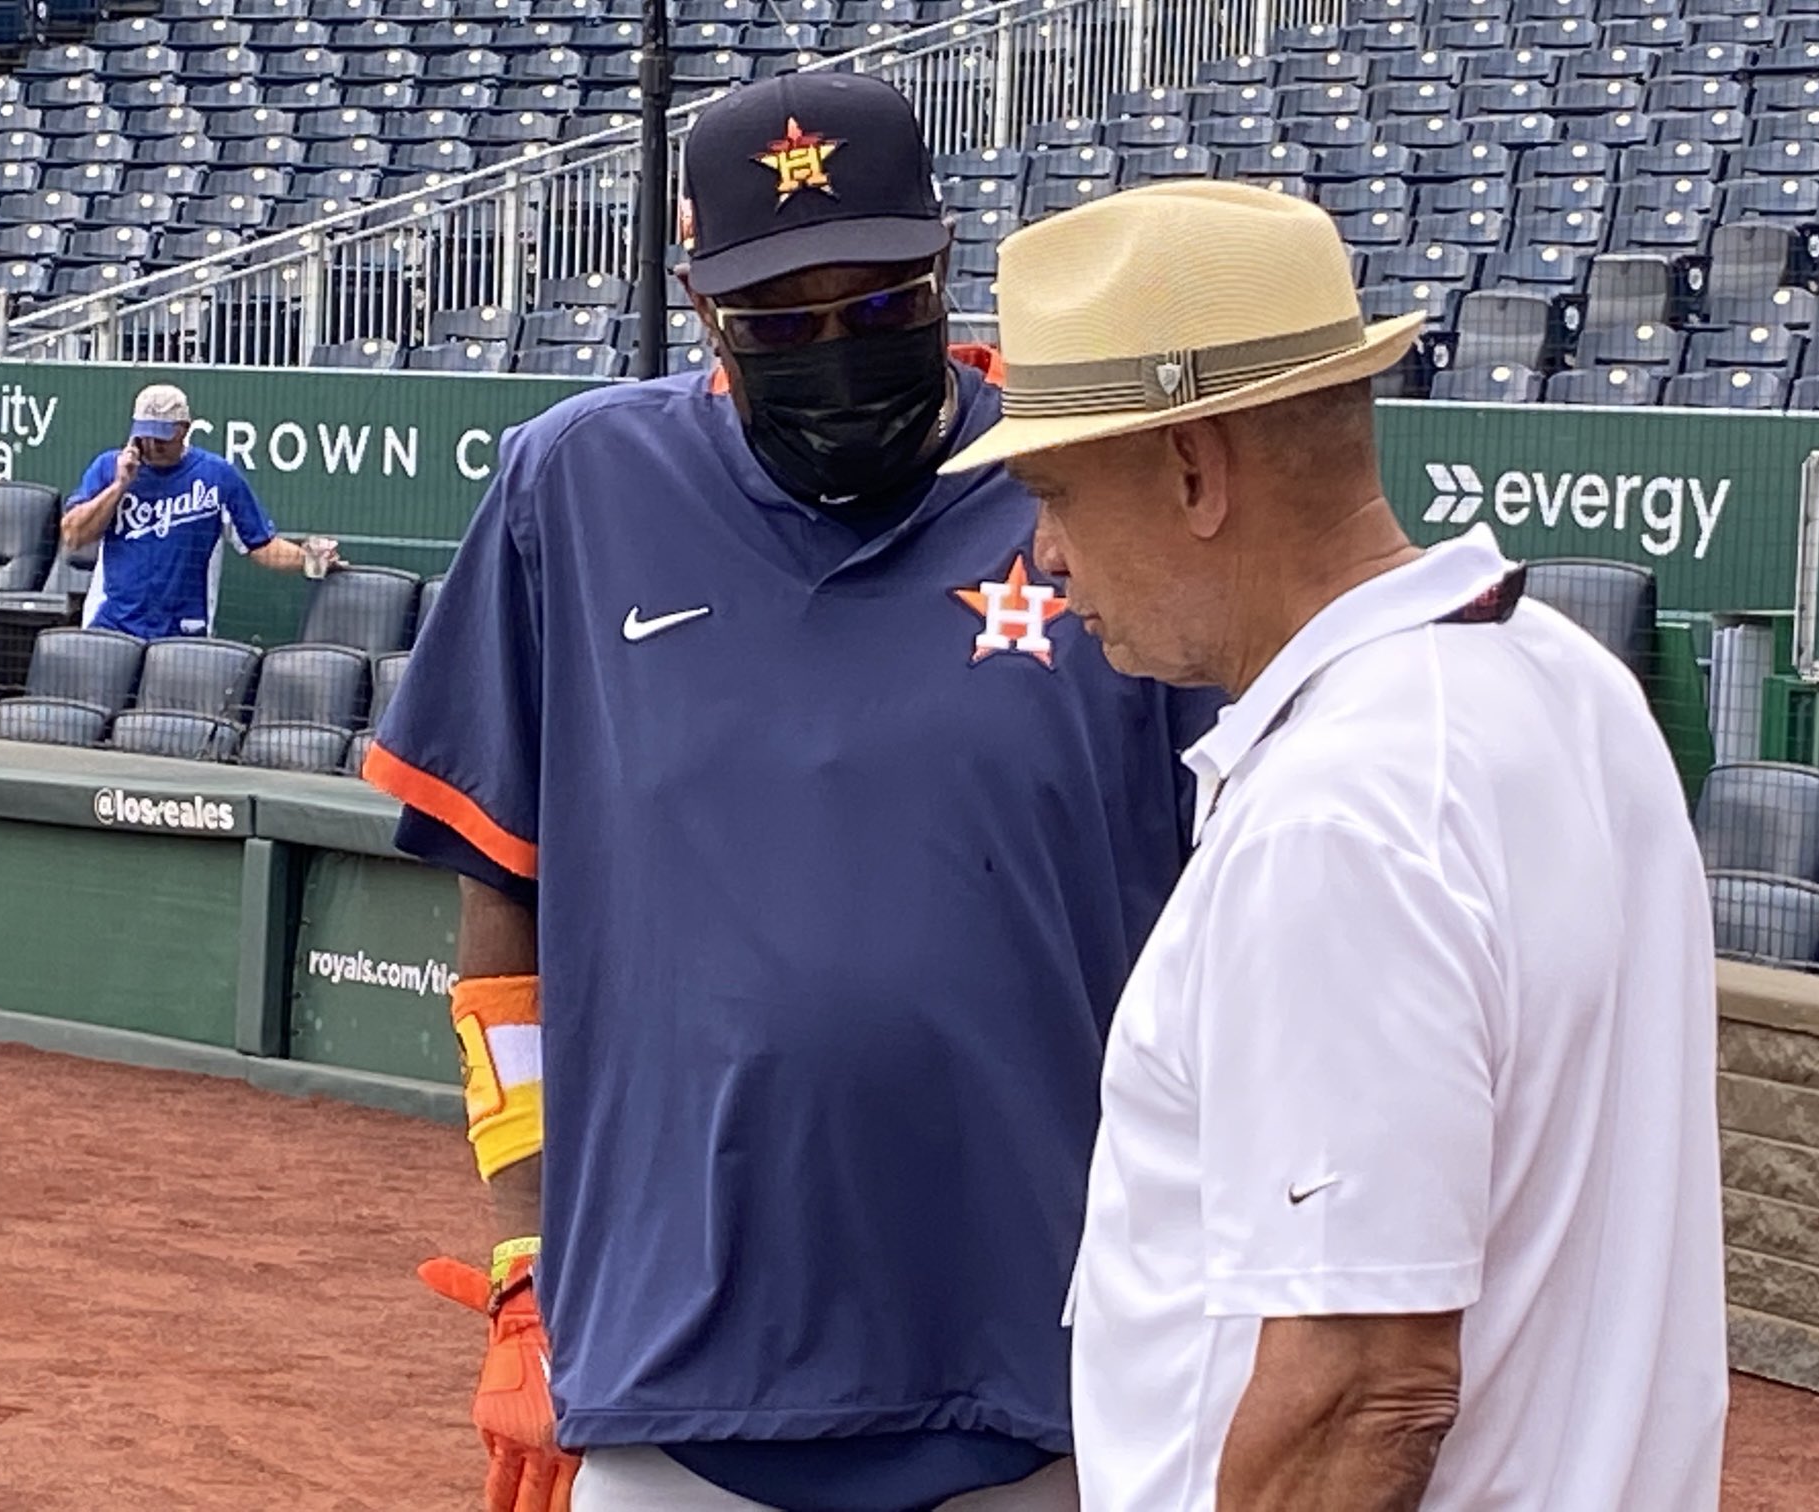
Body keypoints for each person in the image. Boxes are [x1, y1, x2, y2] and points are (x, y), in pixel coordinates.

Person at [365, 74, 1223, 1512]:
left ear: (946, 264)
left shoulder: (1083, 489)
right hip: (676, 1367)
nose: (836, 349)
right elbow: (498, 911)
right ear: (699, 302)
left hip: (1054, 1358)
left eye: (881, 305)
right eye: (780, 320)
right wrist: (522, 1254)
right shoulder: (572, 488)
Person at [941, 180, 1729, 1512]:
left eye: (1057, 490)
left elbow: (1365, 1389)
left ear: (1194, 468)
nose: (1047, 553)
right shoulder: (1567, 677)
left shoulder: (1345, 803)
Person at [60, 382, 339, 639]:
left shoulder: (216, 475)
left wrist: (313, 560)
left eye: (162, 438)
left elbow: (260, 544)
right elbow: (73, 535)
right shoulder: (108, 467)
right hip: (109, 627)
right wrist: (120, 485)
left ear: (184, 429)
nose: (153, 447)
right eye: (145, 436)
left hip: (182, 633)